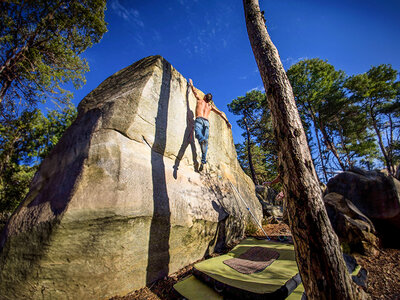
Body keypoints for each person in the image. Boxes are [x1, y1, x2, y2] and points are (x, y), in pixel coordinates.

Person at [188, 78, 231, 165]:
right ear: (210, 100)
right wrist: (227, 121)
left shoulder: (200, 100)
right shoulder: (210, 106)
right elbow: (220, 113)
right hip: (206, 122)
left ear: (204, 97)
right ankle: (203, 159)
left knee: (197, 133)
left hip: (199, 119)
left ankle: (202, 139)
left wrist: (191, 84)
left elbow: (194, 91)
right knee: (205, 143)